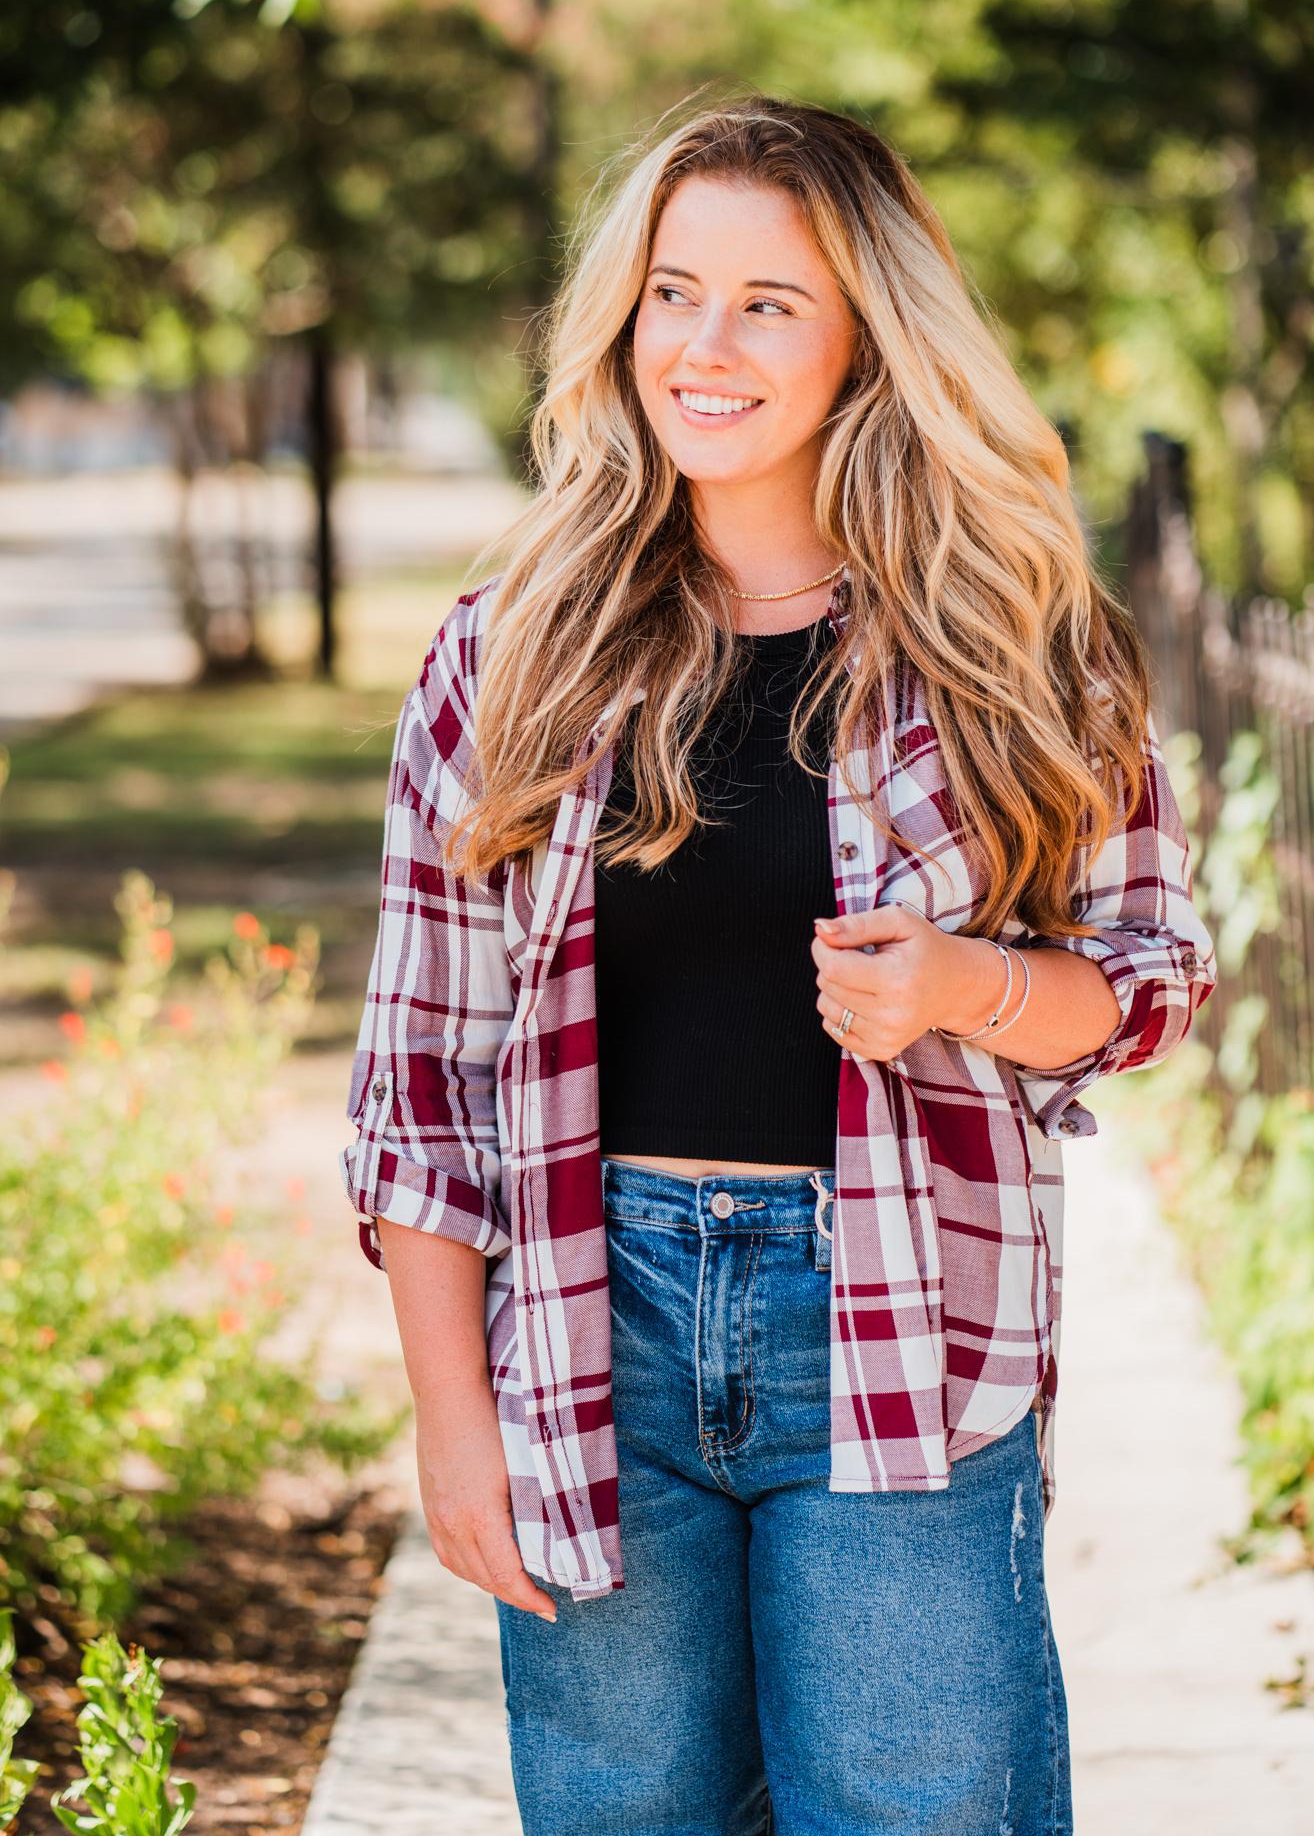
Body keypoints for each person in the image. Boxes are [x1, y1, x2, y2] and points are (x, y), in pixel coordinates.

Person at [341, 93, 1218, 1836]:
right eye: (672, 292)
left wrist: (964, 985)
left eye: (768, 302)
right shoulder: (505, 653)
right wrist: (454, 1427)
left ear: (864, 339)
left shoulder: (1010, 644)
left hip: (897, 1325)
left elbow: (1149, 974)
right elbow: (417, 1082)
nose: (704, 345)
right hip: (592, 1328)